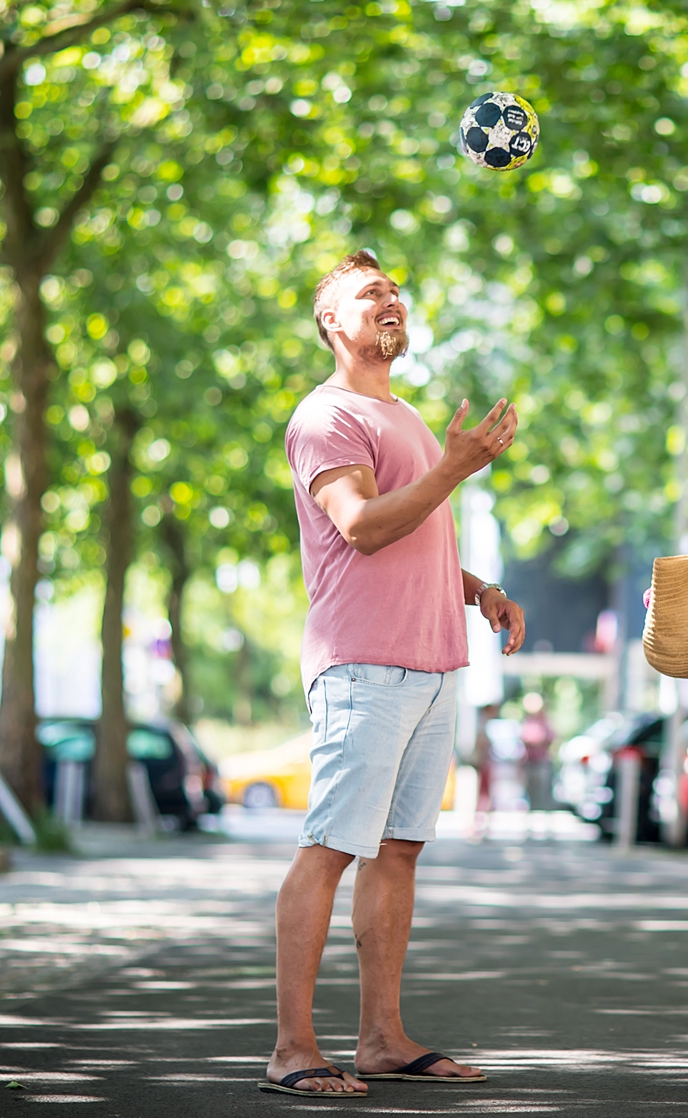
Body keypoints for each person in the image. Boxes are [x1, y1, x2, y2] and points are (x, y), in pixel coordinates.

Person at [263, 250, 528, 1098]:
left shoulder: (405, 415)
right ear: (331, 323)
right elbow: (365, 528)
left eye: (396, 293)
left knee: (400, 851)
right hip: (362, 665)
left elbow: (412, 538)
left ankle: (381, 1038)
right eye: (369, 293)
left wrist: (478, 591)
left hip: (433, 662)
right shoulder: (325, 416)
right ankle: (291, 1049)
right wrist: (456, 468)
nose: (391, 301)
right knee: (332, 845)